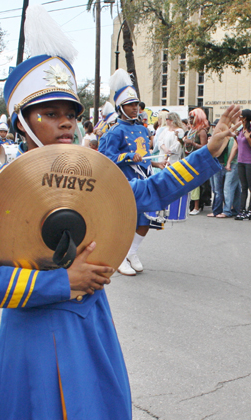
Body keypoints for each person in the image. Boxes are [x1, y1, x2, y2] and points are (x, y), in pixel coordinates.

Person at [0, 9, 240, 420]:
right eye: (49, 112)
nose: (66, 120)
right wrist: (58, 283)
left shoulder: (86, 177)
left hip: (91, 330)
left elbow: (145, 192)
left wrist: (209, 152)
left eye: (70, 110)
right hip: (36, 338)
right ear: (22, 122)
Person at [98, 68, 157, 276]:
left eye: (136, 104)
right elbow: (105, 159)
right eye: (130, 105)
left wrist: (156, 164)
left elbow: (145, 155)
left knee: (146, 219)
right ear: (120, 108)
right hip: (124, 181)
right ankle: (120, 256)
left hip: (143, 180)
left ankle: (131, 251)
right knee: (125, 220)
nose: (135, 108)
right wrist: (128, 156)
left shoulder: (142, 129)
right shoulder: (115, 131)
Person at [226, 109, 251, 220]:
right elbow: (239, 144)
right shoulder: (241, 131)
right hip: (240, 161)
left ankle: (250, 210)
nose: (239, 117)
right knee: (243, 187)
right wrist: (235, 136)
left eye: (241, 116)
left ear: (244, 118)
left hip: (249, 161)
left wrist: (248, 138)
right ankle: (241, 210)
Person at [184, 108, 209, 215]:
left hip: (197, 160)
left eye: (192, 117)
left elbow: (204, 147)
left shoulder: (201, 131)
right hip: (189, 158)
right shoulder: (192, 130)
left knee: (195, 185)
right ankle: (190, 205)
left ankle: (196, 206)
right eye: (190, 117)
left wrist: (192, 143)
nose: (190, 119)